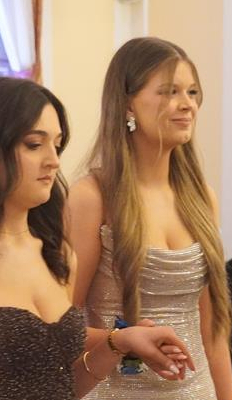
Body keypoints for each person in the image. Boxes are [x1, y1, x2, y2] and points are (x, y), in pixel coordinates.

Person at [0, 77, 194, 400]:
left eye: (57, 144)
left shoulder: (57, 254)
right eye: (34, 145)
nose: (53, 160)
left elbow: (60, 386)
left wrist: (118, 342)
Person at [67, 37, 232, 399]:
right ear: (128, 103)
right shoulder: (92, 197)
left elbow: (214, 331)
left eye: (192, 92)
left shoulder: (202, 197)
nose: (187, 104)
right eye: (169, 92)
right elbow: (63, 326)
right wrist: (123, 339)